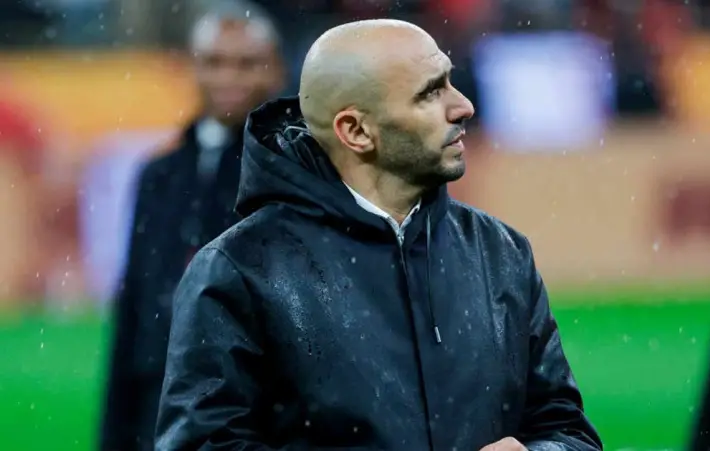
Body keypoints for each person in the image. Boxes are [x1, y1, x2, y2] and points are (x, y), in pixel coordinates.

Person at [156, 19, 603, 451]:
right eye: (430, 92)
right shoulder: (240, 269)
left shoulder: (500, 253)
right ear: (355, 131)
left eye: (449, 81)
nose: (463, 105)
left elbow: (568, 431)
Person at [99, 3, 286, 450]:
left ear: (275, 70)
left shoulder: (291, 169)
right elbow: (136, 302)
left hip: (254, 403)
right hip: (157, 394)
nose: (228, 79)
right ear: (193, 69)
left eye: (245, 64)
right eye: (214, 63)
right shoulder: (159, 174)